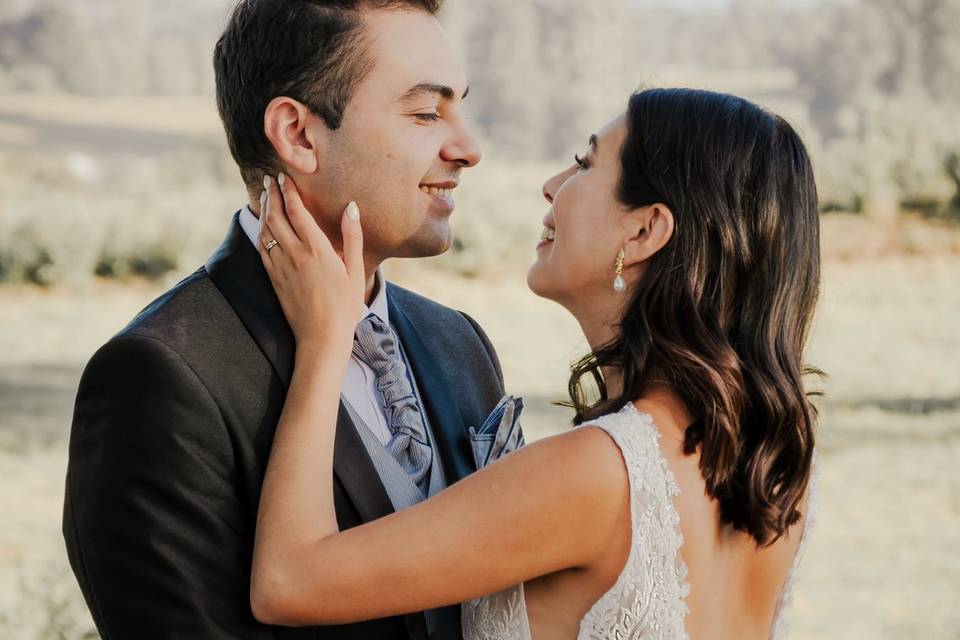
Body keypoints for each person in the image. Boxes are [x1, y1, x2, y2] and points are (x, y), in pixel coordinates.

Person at [248, 87, 822, 639]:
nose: (552, 186)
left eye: (584, 165)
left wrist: (325, 340)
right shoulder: (772, 466)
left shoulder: (598, 472)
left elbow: (287, 583)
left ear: (645, 230)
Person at [62, 1, 496, 638]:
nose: (468, 149)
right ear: (297, 134)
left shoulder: (459, 343)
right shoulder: (159, 377)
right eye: (427, 112)